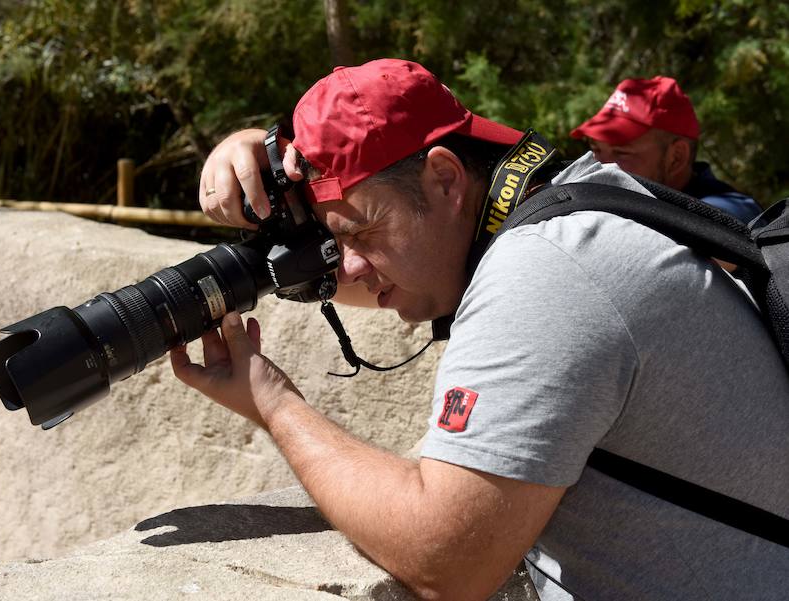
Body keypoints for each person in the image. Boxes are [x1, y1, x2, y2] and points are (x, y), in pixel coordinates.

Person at [170, 59, 789, 600]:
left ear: (445, 178)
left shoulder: (548, 269)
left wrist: (274, 404)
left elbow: (447, 562)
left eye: (360, 233)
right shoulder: (574, 208)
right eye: (336, 241)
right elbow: (383, 264)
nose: (348, 266)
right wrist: (257, 152)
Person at [571, 76, 762, 223]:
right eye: (595, 149)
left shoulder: (728, 214)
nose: (600, 166)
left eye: (621, 152)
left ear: (676, 157)